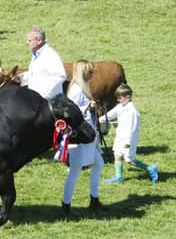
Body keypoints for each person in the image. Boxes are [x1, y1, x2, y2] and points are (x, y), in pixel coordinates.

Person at [61, 60, 106, 217]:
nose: (92, 74)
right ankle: (66, 205)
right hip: (80, 136)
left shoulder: (82, 88)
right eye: (89, 72)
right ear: (83, 73)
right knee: (74, 171)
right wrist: (88, 107)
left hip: (88, 134)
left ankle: (94, 199)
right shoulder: (76, 90)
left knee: (99, 164)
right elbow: (71, 112)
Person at [99, 84, 158, 183]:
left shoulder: (132, 112)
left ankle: (150, 168)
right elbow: (110, 115)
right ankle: (119, 176)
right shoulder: (120, 106)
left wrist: (128, 142)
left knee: (129, 160)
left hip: (128, 139)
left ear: (128, 97)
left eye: (120, 98)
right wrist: (99, 120)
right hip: (120, 137)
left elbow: (132, 129)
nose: (118, 100)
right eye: (117, 98)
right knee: (117, 154)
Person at [19, 27, 66, 99]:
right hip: (37, 100)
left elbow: (60, 76)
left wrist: (44, 95)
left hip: (49, 101)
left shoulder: (50, 55)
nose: (27, 42)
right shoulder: (36, 54)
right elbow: (37, 74)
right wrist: (21, 77)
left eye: (29, 40)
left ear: (39, 41)